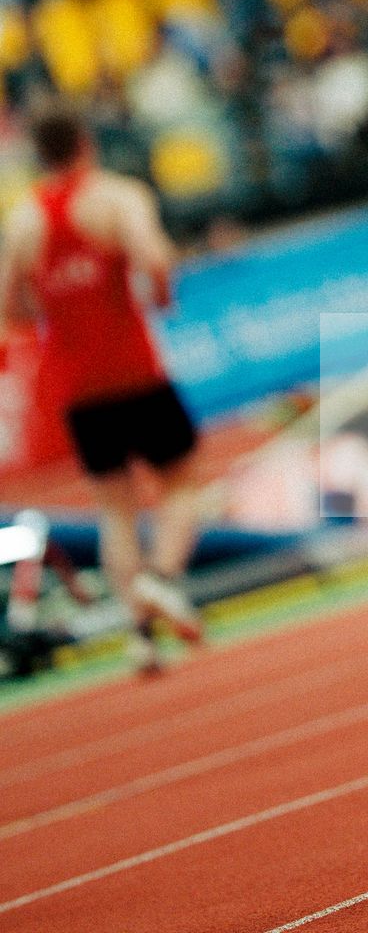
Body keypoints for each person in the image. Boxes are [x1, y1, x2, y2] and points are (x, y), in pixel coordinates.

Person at [0, 101, 204, 674]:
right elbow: (154, 257)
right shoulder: (116, 198)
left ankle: (139, 633)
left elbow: (9, 306)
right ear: (85, 142)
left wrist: (51, 312)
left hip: (78, 386)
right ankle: (161, 579)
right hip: (135, 370)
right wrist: (159, 294)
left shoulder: (24, 220)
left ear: (38, 154)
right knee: (182, 485)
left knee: (116, 510)